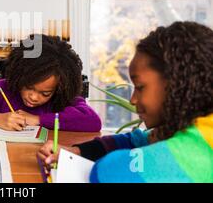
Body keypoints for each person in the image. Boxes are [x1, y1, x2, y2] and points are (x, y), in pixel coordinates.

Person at [38, 21, 213, 183]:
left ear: (176, 84)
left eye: (140, 87)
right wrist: (76, 152)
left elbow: (107, 173)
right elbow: (135, 141)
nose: (133, 99)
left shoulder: (199, 149)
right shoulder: (196, 128)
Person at [0, 35, 102, 132]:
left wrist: (37, 120)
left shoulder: (62, 95)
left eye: (45, 93)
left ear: (59, 88)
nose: (34, 97)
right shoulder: (3, 88)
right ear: (19, 76)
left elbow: (92, 121)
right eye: (28, 87)